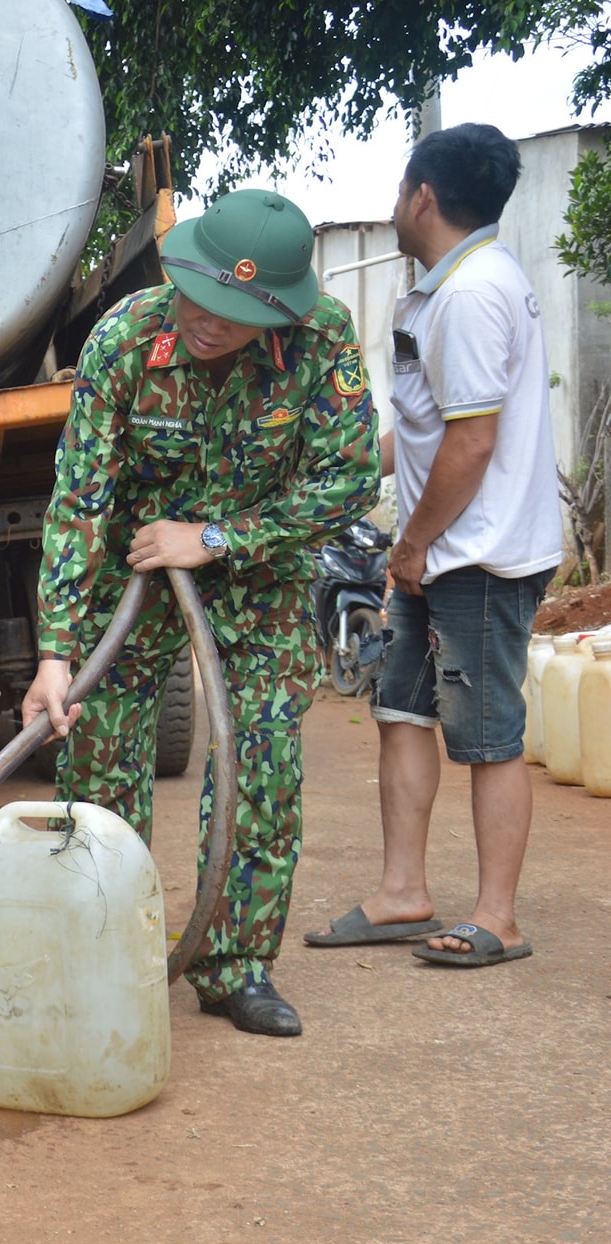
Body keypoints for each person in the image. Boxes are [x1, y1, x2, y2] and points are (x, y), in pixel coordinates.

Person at [22, 189, 379, 1037]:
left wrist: (216, 537)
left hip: (257, 574)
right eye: (199, 298)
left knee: (260, 764)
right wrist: (56, 654)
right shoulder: (126, 339)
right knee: (100, 765)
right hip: (132, 575)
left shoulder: (323, 342)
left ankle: (233, 966)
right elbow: (78, 502)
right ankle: (107, 951)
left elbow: (349, 481)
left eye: (233, 314)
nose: (207, 323)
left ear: (281, 313)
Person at [305, 124, 560, 967]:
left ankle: (499, 917)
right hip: (437, 551)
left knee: (487, 732)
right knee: (401, 710)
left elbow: (471, 445)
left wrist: (409, 546)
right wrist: (333, 470)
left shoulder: (474, 292)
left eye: (398, 188)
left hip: (474, 555)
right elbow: (425, 431)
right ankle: (403, 894)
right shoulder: (441, 289)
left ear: (421, 195)